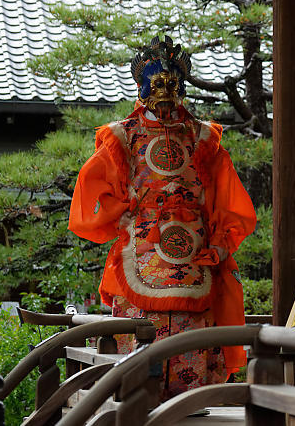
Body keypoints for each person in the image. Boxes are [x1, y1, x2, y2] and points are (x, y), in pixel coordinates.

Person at [69, 36, 256, 399]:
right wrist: (122, 214)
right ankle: (140, 398)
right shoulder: (122, 138)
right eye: (157, 83)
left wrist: (219, 244)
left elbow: (230, 201)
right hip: (141, 253)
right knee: (140, 341)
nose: (166, 91)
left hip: (195, 258)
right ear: (142, 87)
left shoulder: (204, 139)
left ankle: (191, 401)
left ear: (183, 86)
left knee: (193, 341)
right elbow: (90, 193)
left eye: (172, 83)